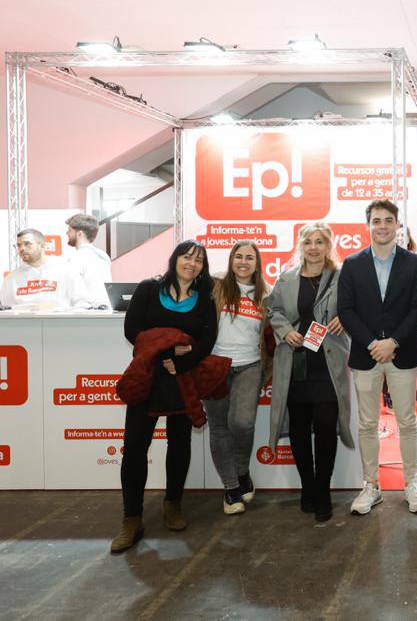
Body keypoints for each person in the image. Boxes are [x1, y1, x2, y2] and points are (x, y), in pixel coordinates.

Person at [110, 240, 218, 553]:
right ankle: (131, 518)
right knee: (135, 447)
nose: (192, 263)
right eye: (187, 256)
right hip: (147, 375)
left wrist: (181, 362)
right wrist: (167, 350)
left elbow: (207, 340)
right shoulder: (148, 288)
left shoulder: (204, 297)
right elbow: (132, 330)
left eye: (198, 260)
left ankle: (173, 504)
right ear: (175, 259)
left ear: (203, 267)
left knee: (179, 442)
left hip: (182, 377)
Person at [338, 200, 417, 515]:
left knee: (407, 421)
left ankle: (412, 483)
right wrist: (373, 343)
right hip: (366, 354)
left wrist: (393, 341)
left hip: (402, 352)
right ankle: (371, 485)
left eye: (388, 220)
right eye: (376, 221)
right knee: (367, 423)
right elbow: (346, 310)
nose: (382, 226)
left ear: (397, 224)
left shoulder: (415, 263)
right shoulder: (352, 264)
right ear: (368, 225)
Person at [267, 222, 353, 522]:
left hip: (328, 364)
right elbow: (273, 311)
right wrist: (285, 331)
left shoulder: (342, 277)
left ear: (329, 245)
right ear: (300, 246)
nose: (314, 247)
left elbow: (357, 307)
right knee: (300, 430)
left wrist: (346, 318)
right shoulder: (286, 278)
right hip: (296, 363)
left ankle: (323, 490)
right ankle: (308, 487)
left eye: (319, 241)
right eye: (308, 242)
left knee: (326, 427)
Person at [207, 240, 268, 515]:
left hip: (250, 365)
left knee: (242, 423)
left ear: (257, 263)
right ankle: (231, 488)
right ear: (231, 260)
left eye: (249, 258)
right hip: (215, 365)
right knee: (219, 427)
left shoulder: (266, 293)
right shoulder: (216, 286)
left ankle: (242, 471)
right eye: (238, 256)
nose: (243, 262)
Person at [0, 228, 91, 310]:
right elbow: (5, 310)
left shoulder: (65, 269)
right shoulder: (12, 278)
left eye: (27, 244)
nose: (22, 248)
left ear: (42, 245)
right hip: (22, 322)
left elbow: (82, 303)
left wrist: (59, 311)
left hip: (59, 321)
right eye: (19, 245)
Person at [65, 212, 113, 307]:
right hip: (106, 309)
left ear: (80, 234)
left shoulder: (75, 258)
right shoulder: (104, 256)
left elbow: (71, 291)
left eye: (70, 230)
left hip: (85, 311)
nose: (67, 233)